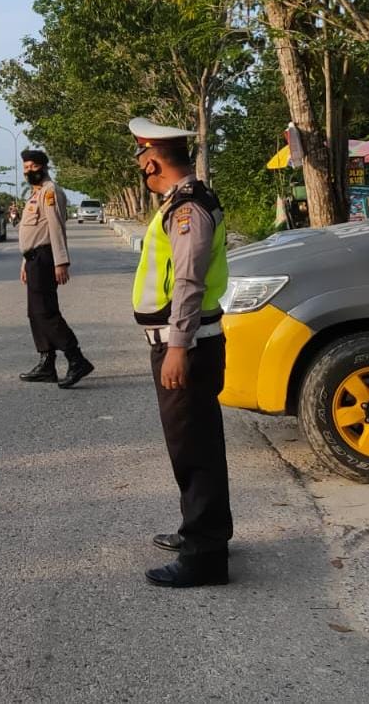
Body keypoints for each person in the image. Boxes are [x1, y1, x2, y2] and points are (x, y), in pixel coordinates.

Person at [129, 117, 233, 588]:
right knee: (197, 444)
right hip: (191, 343)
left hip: (188, 346)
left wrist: (177, 346)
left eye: (139, 160)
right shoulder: (186, 201)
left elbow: (189, 282)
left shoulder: (188, 208)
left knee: (193, 450)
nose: (140, 168)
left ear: (151, 160)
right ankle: (200, 531)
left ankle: (205, 555)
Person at [17, 149, 94, 389]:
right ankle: (47, 363)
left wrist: (61, 261)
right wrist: (24, 262)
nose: (29, 172)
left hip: (45, 258)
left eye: (32, 167)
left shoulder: (50, 192)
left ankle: (76, 359)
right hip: (33, 259)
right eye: (26, 169)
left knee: (46, 313)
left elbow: (56, 228)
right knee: (34, 313)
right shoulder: (36, 193)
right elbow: (33, 232)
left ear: (43, 166)